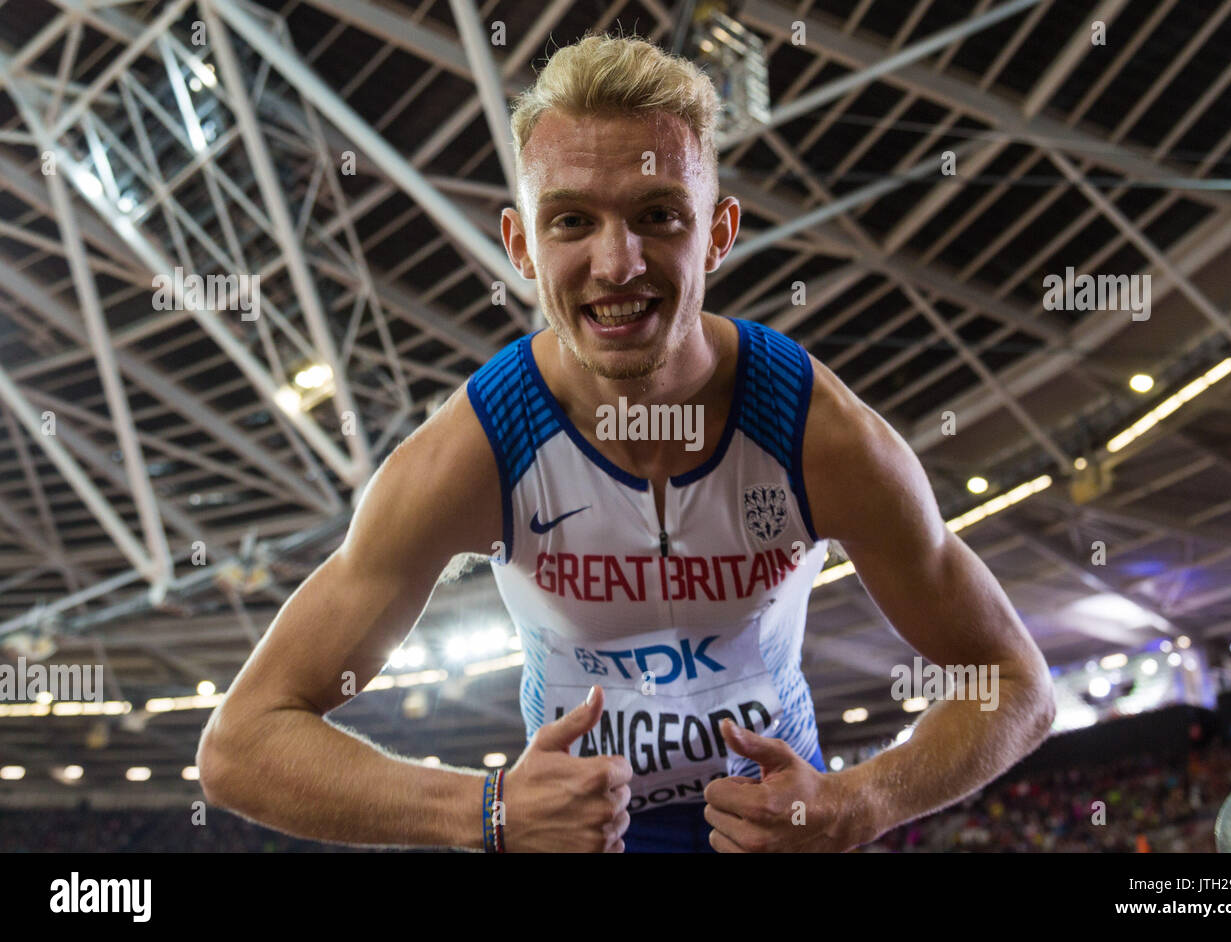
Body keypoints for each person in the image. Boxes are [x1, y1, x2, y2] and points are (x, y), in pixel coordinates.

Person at [197, 30, 1055, 853]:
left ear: (718, 233)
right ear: (521, 246)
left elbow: (1016, 683)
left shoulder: (820, 435)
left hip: (782, 830)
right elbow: (240, 747)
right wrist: (487, 811)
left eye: (657, 216)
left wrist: (857, 803)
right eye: (570, 222)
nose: (618, 266)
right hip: (569, 836)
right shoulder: (474, 454)